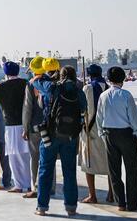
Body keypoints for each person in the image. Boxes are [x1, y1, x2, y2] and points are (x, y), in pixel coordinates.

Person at [33, 64, 87, 217]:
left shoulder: (53, 87)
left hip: (50, 135)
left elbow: (36, 82)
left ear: (61, 75)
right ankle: (71, 207)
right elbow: (84, 108)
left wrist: (47, 76)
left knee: (45, 170)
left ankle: (42, 207)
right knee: (69, 171)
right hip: (70, 136)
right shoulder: (78, 91)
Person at [97, 65, 137, 212]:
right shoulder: (126, 95)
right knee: (131, 169)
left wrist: (102, 134)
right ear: (122, 79)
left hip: (109, 134)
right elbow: (133, 118)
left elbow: (99, 117)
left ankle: (120, 203)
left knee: (114, 170)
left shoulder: (103, 96)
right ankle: (132, 203)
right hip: (126, 134)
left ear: (109, 80)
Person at [0, 61, 32, 192]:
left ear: (5, 72)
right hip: (25, 123)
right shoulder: (26, 83)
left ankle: (19, 185)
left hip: (10, 125)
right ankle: (29, 183)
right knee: (26, 156)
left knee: (14, 156)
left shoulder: (2, 86)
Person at [80, 64, 112, 204]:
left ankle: (92, 195)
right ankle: (111, 193)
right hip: (106, 129)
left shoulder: (88, 88)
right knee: (110, 162)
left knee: (89, 163)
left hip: (90, 129)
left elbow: (84, 109)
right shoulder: (109, 87)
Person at [21, 56, 47, 197]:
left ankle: (36, 188)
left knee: (35, 158)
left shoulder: (31, 84)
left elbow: (27, 108)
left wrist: (25, 128)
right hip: (50, 127)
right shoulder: (51, 82)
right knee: (48, 158)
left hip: (35, 127)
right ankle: (50, 186)